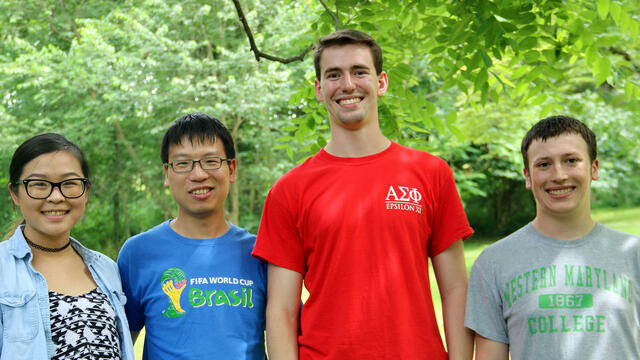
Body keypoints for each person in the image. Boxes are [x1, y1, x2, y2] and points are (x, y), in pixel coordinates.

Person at [252, 29, 474, 359]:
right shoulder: (289, 191)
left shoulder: (431, 174)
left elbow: (456, 289)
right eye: (333, 75)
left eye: (359, 71)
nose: (348, 85)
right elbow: (281, 310)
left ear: (381, 82)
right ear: (318, 89)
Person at [465, 115, 640, 359]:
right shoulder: (493, 263)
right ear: (527, 176)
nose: (558, 175)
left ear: (594, 168)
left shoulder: (633, 254)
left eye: (571, 160)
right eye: (544, 164)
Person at [117, 113, 267, 359]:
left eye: (210, 161)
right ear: (166, 173)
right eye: (183, 163)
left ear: (231, 168)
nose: (198, 175)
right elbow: (120, 345)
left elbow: (291, 332)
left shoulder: (260, 252)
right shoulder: (138, 253)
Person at [0, 133, 135, 360]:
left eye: (69, 183)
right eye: (39, 185)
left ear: (86, 192)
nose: (55, 196)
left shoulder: (107, 269)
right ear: (15, 193)